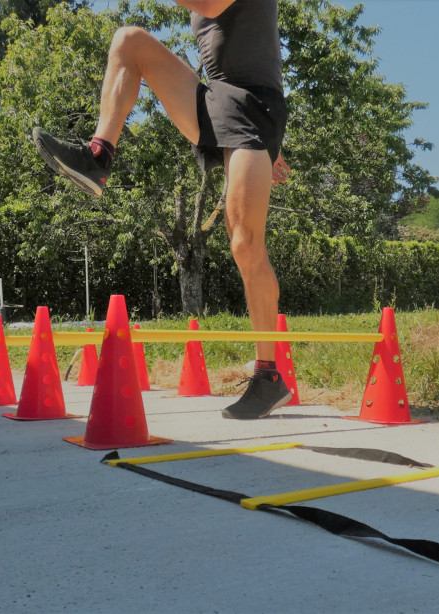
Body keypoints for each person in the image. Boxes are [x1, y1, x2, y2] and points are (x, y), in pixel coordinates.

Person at [32, 0, 292, 420]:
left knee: (244, 243)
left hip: (254, 108)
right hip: (214, 100)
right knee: (129, 41)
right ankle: (98, 156)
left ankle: (269, 377)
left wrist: (267, 144)